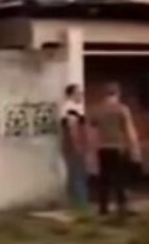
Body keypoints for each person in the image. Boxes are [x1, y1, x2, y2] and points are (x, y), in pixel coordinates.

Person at [90, 82, 141, 217]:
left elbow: (93, 131)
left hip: (102, 148)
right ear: (118, 93)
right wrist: (135, 147)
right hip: (118, 147)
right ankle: (122, 207)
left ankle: (103, 208)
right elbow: (129, 129)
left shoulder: (97, 109)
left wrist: (94, 149)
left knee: (104, 179)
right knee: (121, 178)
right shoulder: (122, 109)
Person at [59, 84, 89, 209]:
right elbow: (72, 128)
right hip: (73, 145)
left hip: (74, 144)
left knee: (75, 173)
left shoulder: (74, 108)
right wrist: (77, 145)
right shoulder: (69, 109)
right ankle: (80, 203)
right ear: (71, 94)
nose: (81, 95)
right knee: (77, 173)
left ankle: (74, 202)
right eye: (78, 93)